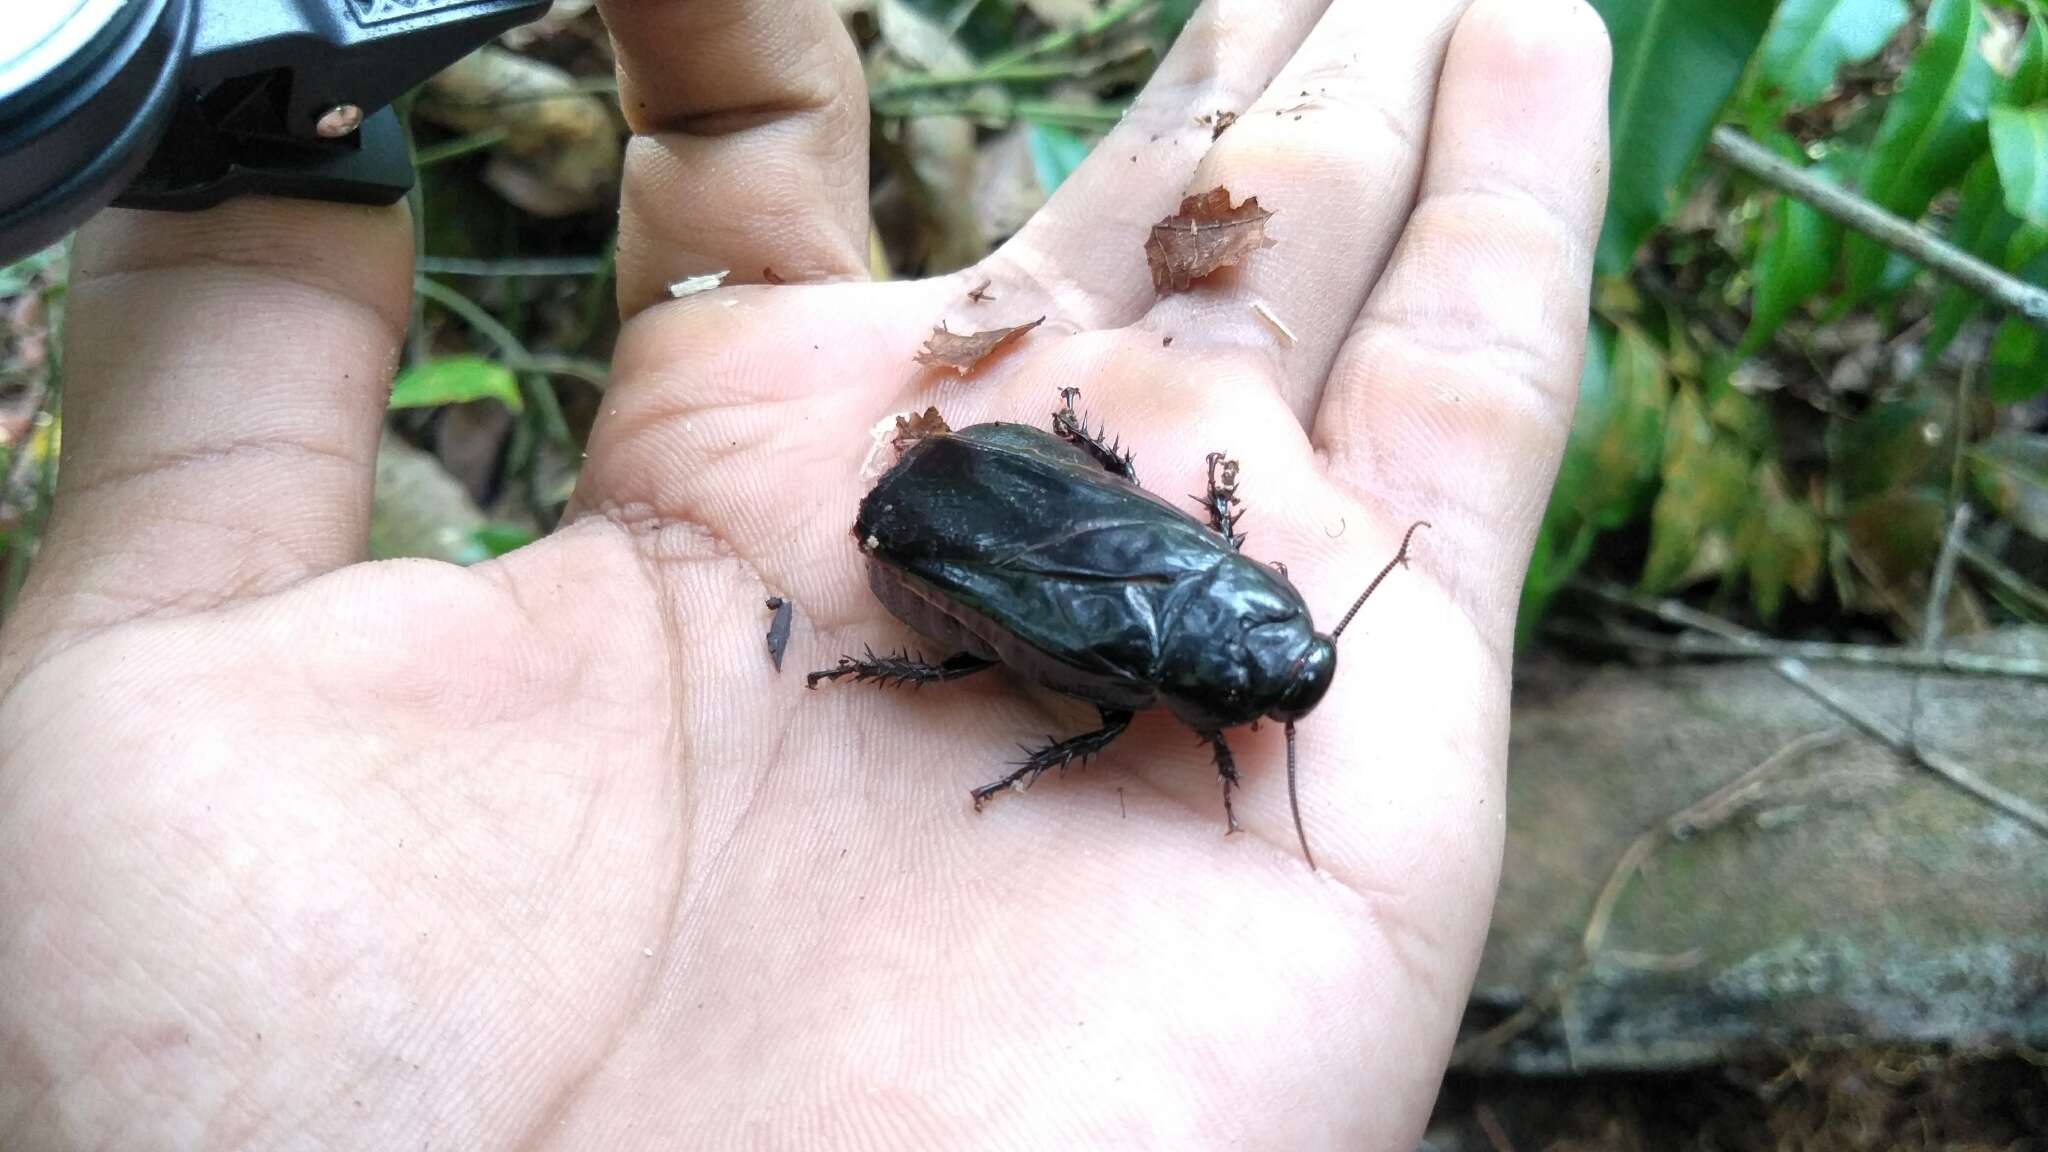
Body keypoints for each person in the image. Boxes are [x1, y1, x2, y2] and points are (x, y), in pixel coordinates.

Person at [0, 0, 1609, 1146]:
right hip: (954, 521)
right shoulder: (1164, 710)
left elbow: (1131, 606)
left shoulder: (1203, 614)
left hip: (970, 521)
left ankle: (907, 649)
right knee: (1018, 671)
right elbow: (1097, 686)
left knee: (1018, 657)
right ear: (1245, 602)